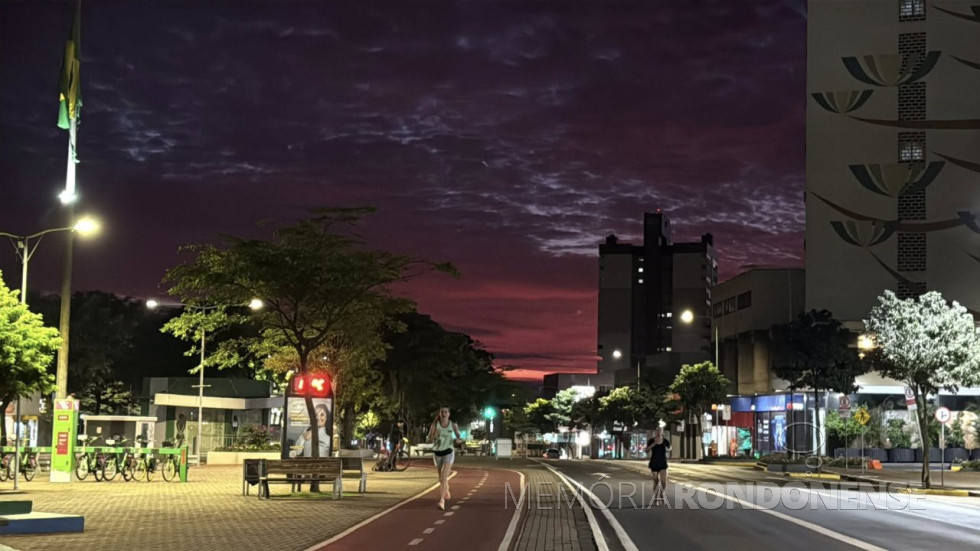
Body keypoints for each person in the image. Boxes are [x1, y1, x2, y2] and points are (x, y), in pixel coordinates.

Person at [427, 407, 462, 510]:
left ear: (449, 414)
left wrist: (458, 440)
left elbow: (459, 437)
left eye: (446, 412)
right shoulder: (435, 425)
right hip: (437, 452)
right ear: (439, 414)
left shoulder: (453, 425)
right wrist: (434, 436)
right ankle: (446, 488)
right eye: (442, 412)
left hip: (449, 451)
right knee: (441, 478)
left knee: (443, 475)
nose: (444, 413)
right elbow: (429, 439)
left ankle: (442, 501)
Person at [645, 426, 671, 506]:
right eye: (657, 431)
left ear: (662, 432)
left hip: (663, 462)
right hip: (654, 462)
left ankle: (662, 494)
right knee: (656, 481)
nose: (659, 432)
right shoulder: (651, 440)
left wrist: (669, 449)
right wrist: (653, 445)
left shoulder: (665, 440)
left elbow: (669, 447)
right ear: (655, 432)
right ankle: (655, 498)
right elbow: (647, 450)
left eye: (660, 431)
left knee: (663, 482)